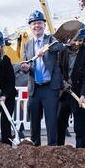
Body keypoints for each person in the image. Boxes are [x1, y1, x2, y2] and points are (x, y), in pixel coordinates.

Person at [21, 10, 64, 146]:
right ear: (30, 27)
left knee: (51, 121)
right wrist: (27, 68)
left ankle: (52, 149)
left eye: (39, 23)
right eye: (34, 24)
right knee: (34, 121)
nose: (37, 26)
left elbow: (61, 46)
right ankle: (35, 148)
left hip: (49, 88)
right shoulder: (27, 45)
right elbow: (26, 62)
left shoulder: (50, 40)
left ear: (44, 25)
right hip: (35, 88)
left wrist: (47, 48)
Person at [56, 23, 85, 148]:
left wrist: (84, 95)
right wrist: (62, 81)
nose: (78, 43)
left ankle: (80, 153)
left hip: (78, 95)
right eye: (76, 40)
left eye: (81, 40)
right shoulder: (61, 51)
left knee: (80, 126)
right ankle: (58, 151)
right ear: (70, 38)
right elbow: (57, 70)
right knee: (59, 124)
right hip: (63, 94)